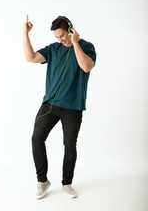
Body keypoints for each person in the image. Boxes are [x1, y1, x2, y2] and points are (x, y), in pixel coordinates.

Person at [23, 15, 97, 199]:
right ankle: (42, 181)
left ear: (71, 30)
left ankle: (67, 184)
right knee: (36, 139)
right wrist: (25, 33)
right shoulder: (53, 49)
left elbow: (86, 67)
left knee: (70, 146)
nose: (60, 40)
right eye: (57, 37)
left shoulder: (87, 47)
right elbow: (30, 58)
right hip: (49, 104)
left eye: (62, 35)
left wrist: (75, 43)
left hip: (73, 107)